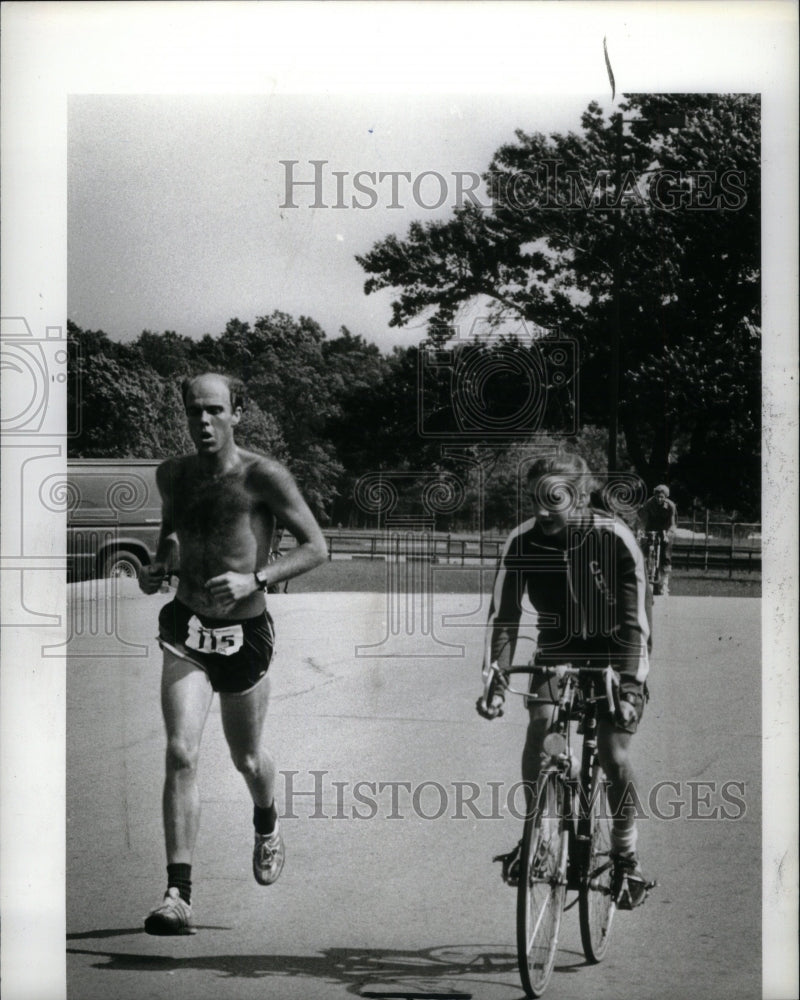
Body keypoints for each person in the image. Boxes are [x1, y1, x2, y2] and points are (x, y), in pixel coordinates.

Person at [138, 372, 327, 935]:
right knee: (180, 751)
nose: (203, 421)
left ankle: (266, 820)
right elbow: (173, 534)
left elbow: (318, 546)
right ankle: (178, 894)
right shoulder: (171, 473)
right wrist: (160, 565)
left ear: (237, 413)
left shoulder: (263, 475)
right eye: (194, 410)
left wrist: (257, 580)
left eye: (215, 410)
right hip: (187, 627)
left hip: (243, 635)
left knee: (246, 759)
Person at [477, 452, 653, 909]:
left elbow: (636, 622)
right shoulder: (522, 541)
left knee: (614, 754)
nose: (540, 510)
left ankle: (625, 854)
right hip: (557, 647)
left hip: (615, 650)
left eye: (553, 498)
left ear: (579, 495)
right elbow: (505, 617)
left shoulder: (615, 538)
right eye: (534, 498)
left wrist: (630, 686)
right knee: (540, 724)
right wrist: (495, 676)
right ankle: (534, 835)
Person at [638, 484, 678, 595]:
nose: (659, 499)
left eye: (662, 497)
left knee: (666, 554)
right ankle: (646, 579)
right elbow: (643, 520)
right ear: (655, 495)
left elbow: (673, 523)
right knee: (645, 551)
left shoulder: (671, 506)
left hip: (666, 530)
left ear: (666, 497)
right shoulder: (649, 504)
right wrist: (641, 532)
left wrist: (667, 535)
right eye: (657, 497)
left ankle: (664, 584)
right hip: (651, 529)